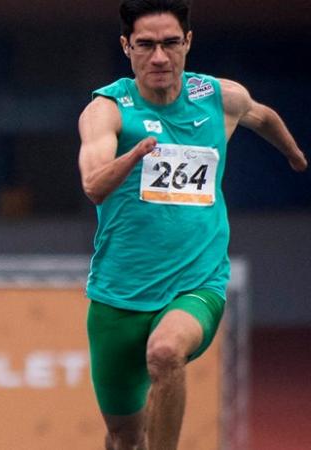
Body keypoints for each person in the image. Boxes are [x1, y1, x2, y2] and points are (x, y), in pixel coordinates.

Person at [77, 1, 306, 449]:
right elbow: (93, 186)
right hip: (118, 296)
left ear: (188, 43)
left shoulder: (218, 96)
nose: (159, 57)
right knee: (123, 437)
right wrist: (135, 155)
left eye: (170, 44)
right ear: (127, 47)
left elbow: (262, 116)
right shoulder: (107, 110)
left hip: (197, 284)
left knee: (165, 353)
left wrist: (294, 154)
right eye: (145, 45)